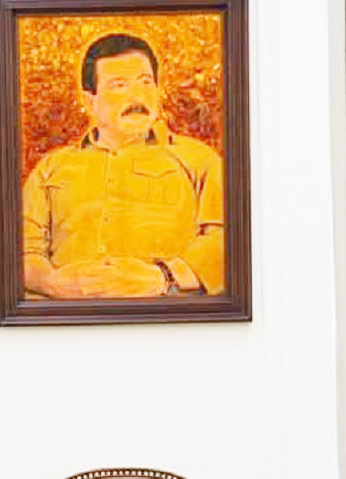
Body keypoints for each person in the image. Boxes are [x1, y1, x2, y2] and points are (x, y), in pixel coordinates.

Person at [21, 32, 224, 299]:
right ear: (89, 101)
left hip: (167, 317)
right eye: (119, 85)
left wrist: (163, 278)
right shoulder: (50, 169)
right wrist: (50, 283)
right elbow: (20, 251)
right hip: (65, 317)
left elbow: (231, 240)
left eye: (145, 82)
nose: (137, 96)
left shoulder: (200, 160)